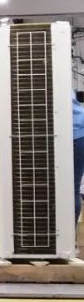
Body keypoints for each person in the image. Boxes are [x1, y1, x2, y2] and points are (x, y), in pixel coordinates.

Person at [73, 93, 84, 222]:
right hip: (79, 132)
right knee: (74, 188)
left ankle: (70, 229)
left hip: (75, 134)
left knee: (72, 188)